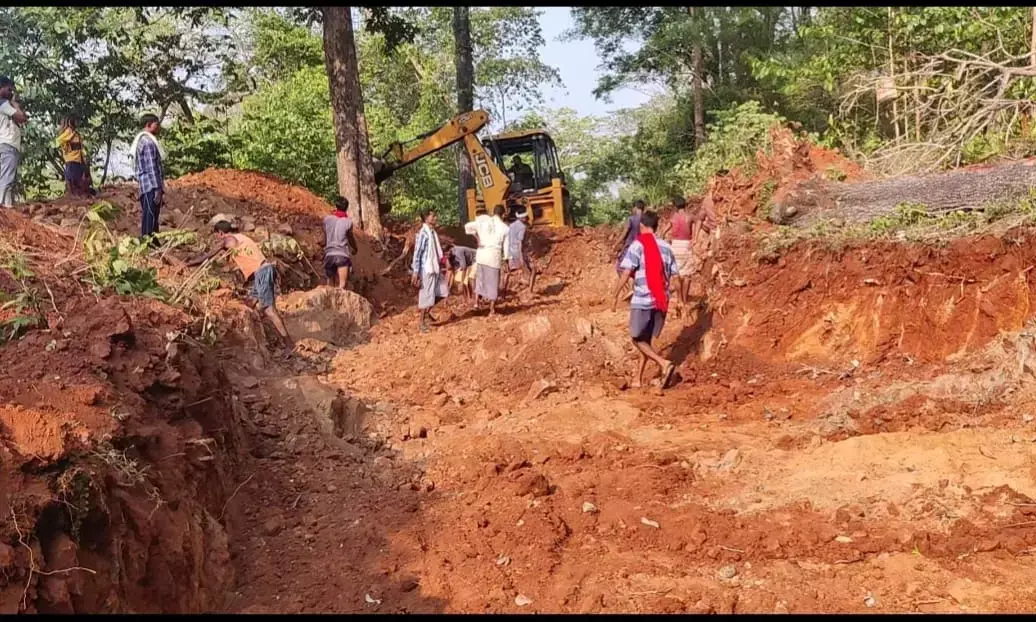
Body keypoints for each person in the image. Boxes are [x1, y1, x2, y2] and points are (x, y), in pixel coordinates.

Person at [186, 219, 294, 357]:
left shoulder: (228, 239)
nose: (218, 239)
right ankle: (267, 342)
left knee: (269, 310)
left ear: (220, 233)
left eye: (217, 236)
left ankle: (289, 344)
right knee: (251, 303)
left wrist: (190, 263)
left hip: (262, 273)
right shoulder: (241, 237)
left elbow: (209, 255)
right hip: (261, 273)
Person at [612, 210, 678, 390]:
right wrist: (680, 302)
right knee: (646, 340)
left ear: (641, 226)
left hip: (643, 299)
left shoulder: (637, 245)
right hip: (661, 300)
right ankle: (637, 379)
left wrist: (615, 294)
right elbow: (675, 276)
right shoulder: (666, 246)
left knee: (635, 338)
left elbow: (626, 272)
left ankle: (663, 363)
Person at [464, 204, 510, 316]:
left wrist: (478, 238)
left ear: (493, 212)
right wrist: (507, 259)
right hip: (494, 257)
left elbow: (467, 227)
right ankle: (492, 310)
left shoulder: (483, 221)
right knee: (493, 284)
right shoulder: (505, 228)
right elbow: (506, 247)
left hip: (481, 255)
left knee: (480, 280)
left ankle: (476, 303)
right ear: (503, 214)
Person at [410, 209, 448, 333]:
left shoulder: (432, 233)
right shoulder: (423, 233)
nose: (435, 218)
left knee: (442, 292)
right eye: (433, 216)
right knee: (426, 295)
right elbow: (417, 253)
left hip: (434, 267)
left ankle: (427, 313)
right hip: (426, 268)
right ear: (426, 218)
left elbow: (436, 250)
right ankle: (421, 323)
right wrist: (416, 271)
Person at [131, 114, 165, 240]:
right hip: (150, 186)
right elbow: (152, 168)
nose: (158, 127)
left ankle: (151, 241)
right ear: (149, 124)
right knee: (151, 216)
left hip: (144, 185)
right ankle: (149, 242)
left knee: (149, 216)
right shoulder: (149, 143)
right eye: (156, 124)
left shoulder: (141, 140)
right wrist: (158, 188)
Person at [0, 76, 28, 208]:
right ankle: (4, 208)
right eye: (9, 89)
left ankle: (7, 207)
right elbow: (21, 118)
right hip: (8, 144)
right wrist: (15, 104)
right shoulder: (3, 104)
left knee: (7, 177)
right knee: (7, 178)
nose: (11, 93)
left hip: (8, 144)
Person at [662, 196, 694, 314]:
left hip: (675, 245)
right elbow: (698, 222)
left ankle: (679, 299)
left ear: (675, 206)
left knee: (676, 275)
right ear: (685, 205)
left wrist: (664, 241)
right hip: (686, 245)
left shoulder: (673, 218)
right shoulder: (690, 217)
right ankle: (685, 300)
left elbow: (663, 231)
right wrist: (694, 238)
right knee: (687, 275)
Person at [323, 196, 359, 290]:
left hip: (329, 254)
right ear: (346, 208)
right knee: (342, 285)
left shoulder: (327, 220)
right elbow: (350, 238)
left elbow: (325, 237)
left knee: (330, 286)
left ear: (336, 206)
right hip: (342, 255)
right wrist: (355, 248)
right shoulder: (348, 222)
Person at [612, 199, 645, 300]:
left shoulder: (631, 219)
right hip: (643, 247)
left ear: (635, 207)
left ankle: (628, 289)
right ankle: (636, 290)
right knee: (638, 270)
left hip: (630, 247)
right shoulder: (646, 220)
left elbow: (624, 233)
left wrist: (616, 243)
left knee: (620, 267)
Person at [55, 116, 95, 197]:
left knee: (81, 180)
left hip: (78, 160)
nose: (77, 123)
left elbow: (79, 149)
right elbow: (58, 141)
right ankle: (75, 196)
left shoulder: (75, 133)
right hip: (72, 160)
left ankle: (82, 194)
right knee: (74, 182)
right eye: (76, 121)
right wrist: (70, 136)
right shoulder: (69, 132)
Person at [502, 208, 536, 298]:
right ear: (523, 217)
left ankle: (504, 294)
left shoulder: (511, 225)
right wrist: (521, 256)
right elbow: (519, 242)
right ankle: (530, 291)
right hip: (519, 252)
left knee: (508, 273)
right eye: (525, 217)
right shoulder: (522, 227)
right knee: (533, 269)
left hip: (509, 251)